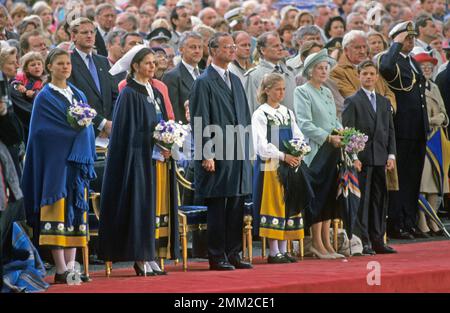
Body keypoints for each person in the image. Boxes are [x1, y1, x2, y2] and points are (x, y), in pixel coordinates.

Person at [98, 45, 178, 276]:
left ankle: (150, 254)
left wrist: (167, 143)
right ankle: (139, 256)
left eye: (154, 62)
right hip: (135, 160)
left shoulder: (153, 90)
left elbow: (161, 122)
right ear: (135, 66)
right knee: (139, 207)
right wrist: (151, 146)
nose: (153, 66)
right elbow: (126, 131)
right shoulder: (129, 93)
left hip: (155, 158)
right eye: (148, 63)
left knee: (152, 208)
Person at [21, 48, 96, 284]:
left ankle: (72, 266)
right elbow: (42, 132)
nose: (65, 67)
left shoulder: (78, 93)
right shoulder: (45, 96)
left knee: (75, 212)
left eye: (68, 64)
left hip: (77, 163)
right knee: (57, 211)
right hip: (56, 162)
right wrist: (73, 132)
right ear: (49, 67)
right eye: (60, 63)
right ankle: (60, 268)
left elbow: (88, 126)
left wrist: (83, 132)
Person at [190, 32, 253, 271]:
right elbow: (199, 119)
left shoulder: (235, 80)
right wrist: (206, 153)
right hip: (216, 151)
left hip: (237, 150)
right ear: (213, 50)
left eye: (233, 46)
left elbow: (244, 116)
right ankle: (217, 255)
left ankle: (233, 252)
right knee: (218, 205)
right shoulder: (203, 81)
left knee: (236, 202)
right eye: (227, 46)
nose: (232, 50)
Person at [378, 21, 430, 240]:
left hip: (417, 128)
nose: (411, 41)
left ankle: (409, 221)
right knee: (399, 179)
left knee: (413, 177)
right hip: (401, 128)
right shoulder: (390, 58)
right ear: (397, 38)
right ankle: (396, 223)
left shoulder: (412, 62)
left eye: (412, 38)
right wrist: (395, 45)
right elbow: (387, 69)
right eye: (407, 38)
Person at [342, 60, 398, 255]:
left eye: (372, 74)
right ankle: (363, 240)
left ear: (376, 77)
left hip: (381, 157)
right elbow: (348, 131)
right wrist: (353, 155)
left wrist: (391, 155)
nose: (368, 77)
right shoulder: (352, 101)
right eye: (365, 73)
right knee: (363, 201)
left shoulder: (384, 102)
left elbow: (389, 130)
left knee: (379, 200)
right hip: (362, 159)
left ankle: (378, 240)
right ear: (359, 76)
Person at [294, 49, 345, 260]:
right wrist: (327, 137)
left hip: (332, 148)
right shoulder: (302, 91)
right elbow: (305, 123)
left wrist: (344, 133)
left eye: (326, 68)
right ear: (310, 71)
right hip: (315, 151)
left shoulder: (326, 91)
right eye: (320, 68)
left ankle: (326, 241)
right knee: (317, 196)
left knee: (329, 196)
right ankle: (316, 243)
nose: (324, 71)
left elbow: (334, 120)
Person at [252, 73, 307, 264]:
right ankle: (273, 251)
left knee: (289, 202)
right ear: (267, 90)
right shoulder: (261, 113)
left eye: (284, 89)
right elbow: (260, 144)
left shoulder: (287, 112)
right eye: (277, 89)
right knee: (274, 204)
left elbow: (297, 134)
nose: (282, 92)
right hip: (272, 165)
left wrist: (300, 151)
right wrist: (283, 155)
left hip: (290, 163)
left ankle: (284, 249)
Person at [412, 49, 449, 236]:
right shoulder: (414, 87)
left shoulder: (433, 87)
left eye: (429, 67)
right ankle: (421, 221)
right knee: (423, 184)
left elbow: (443, 110)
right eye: (423, 66)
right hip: (423, 140)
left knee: (436, 183)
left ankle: (433, 220)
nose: (426, 69)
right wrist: (431, 120)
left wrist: (442, 117)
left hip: (437, 139)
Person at [68, 17, 118, 138]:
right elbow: (73, 100)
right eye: (84, 32)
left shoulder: (103, 62)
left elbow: (115, 96)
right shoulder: (68, 62)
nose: (89, 35)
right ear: (73, 37)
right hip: (84, 131)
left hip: (109, 132)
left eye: (92, 32)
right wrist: (102, 123)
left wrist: (110, 123)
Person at [245, 32, 296, 113]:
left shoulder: (289, 72)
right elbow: (253, 109)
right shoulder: (254, 75)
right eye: (275, 46)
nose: (280, 48)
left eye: (280, 45)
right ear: (263, 50)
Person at [162, 31, 203, 124]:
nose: (197, 51)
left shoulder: (205, 74)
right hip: (186, 133)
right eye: (192, 47)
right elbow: (173, 114)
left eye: (200, 47)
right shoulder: (172, 76)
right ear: (181, 49)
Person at [11, 52, 45, 142]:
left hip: (38, 113)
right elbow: (13, 81)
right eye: (33, 65)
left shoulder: (45, 80)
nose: (37, 67)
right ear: (26, 68)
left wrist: (34, 94)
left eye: (39, 64)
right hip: (25, 116)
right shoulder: (22, 77)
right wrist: (18, 85)